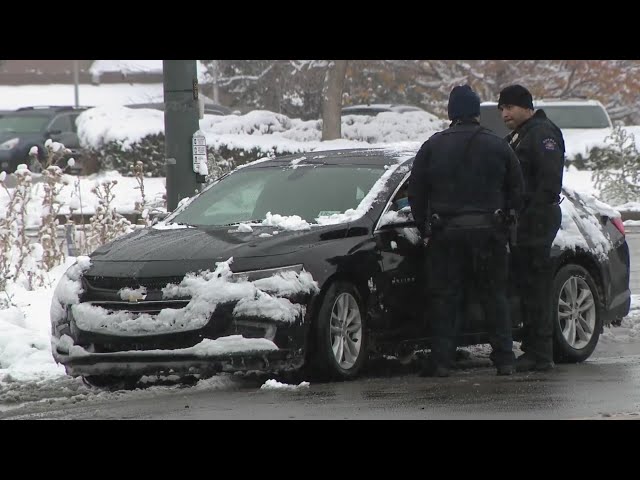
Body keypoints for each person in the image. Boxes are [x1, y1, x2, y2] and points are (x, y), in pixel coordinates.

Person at [408, 85, 524, 377]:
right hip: (490, 234)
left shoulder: (433, 146)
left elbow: (416, 192)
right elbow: (517, 190)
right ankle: (505, 360)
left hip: (446, 235)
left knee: (446, 299)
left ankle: (442, 361)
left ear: (451, 112)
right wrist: (507, 222)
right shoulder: (499, 145)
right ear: (476, 112)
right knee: (495, 297)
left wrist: (425, 226)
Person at [497, 84, 566, 372]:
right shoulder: (520, 135)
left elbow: (548, 180)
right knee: (527, 283)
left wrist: (528, 210)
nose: (505, 114)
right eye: (501, 109)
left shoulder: (541, 133)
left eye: (510, 107)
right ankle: (534, 347)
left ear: (527, 106)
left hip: (537, 217)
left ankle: (540, 351)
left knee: (536, 285)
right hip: (525, 218)